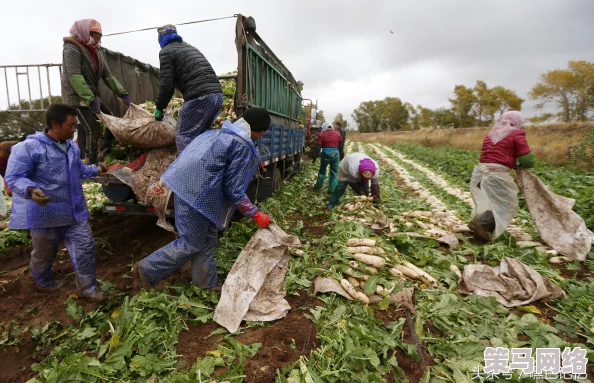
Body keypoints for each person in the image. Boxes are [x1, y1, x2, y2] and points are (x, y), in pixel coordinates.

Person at [135, 107, 274, 291]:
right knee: (191, 242)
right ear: (258, 130)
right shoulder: (241, 145)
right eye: (263, 132)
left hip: (189, 189)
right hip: (198, 196)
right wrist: (255, 214)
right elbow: (234, 190)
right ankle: (146, 270)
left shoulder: (218, 133)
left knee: (207, 240)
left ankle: (205, 284)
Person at [5, 104, 107, 301]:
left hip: (74, 211)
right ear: (54, 124)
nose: (74, 130)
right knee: (44, 253)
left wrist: (98, 169)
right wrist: (31, 189)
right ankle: (43, 282)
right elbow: (15, 176)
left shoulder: (71, 147)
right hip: (45, 213)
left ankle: (88, 289)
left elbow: (79, 170)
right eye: (70, 125)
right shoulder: (30, 147)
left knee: (85, 248)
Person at [61, 19, 131, 164]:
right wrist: (89, 99)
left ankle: (103, 150)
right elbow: (75, 76)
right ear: (85, 33)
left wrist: (122, 93)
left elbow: (107, 75)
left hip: (92, 95)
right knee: (92, 128)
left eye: (99, 37)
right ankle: (91, 163)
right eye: (95, 36)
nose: (97, 40)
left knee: (112, 121)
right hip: (76, 96)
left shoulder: (97, 51)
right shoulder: (71, 49)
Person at [154, 24, 223, 153]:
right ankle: (204, 170)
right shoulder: (189, 47)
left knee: (184, 136)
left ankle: (188, 172)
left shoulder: (166, 52)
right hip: (217, 96)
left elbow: (167, 85)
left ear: (162, 38)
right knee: (200, 137)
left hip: (200, 97)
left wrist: (159, 107)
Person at [468, 111, 535, 241]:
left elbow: (494, 155)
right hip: (495, 175)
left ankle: (480, 225)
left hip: (479, 173)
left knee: (493, 202)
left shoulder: (490, 135)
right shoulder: (517, 134)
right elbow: (528, 160)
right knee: (506, 203)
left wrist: (511, 163)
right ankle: (482, 224)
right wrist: (522, 164)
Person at [312, 122, 342, 193]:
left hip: (325, 154)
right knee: (334, 172)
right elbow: (341, 146)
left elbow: (318, 147)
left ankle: (318, 186)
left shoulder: (322, 135)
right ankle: (332, 189)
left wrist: (314, 157)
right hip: (335, 153)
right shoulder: (338, 134)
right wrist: (341, 157)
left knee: (322, 171)